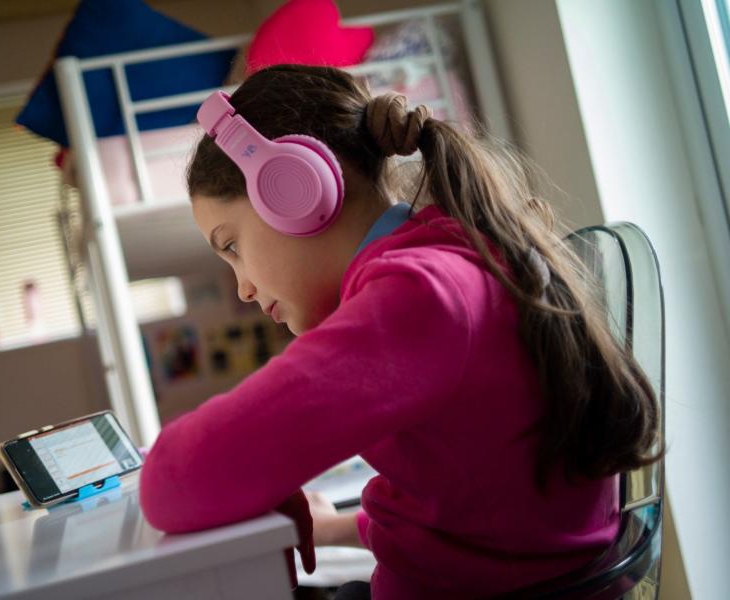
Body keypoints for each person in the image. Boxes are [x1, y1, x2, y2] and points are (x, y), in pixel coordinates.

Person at [138, 64, 660, 599]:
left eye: (231, 246)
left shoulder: (417, 296)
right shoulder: (450, 253)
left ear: (293, 190)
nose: (243, 289)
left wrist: (242, 474)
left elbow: (169, 483)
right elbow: (469, 493)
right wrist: (323, 517)